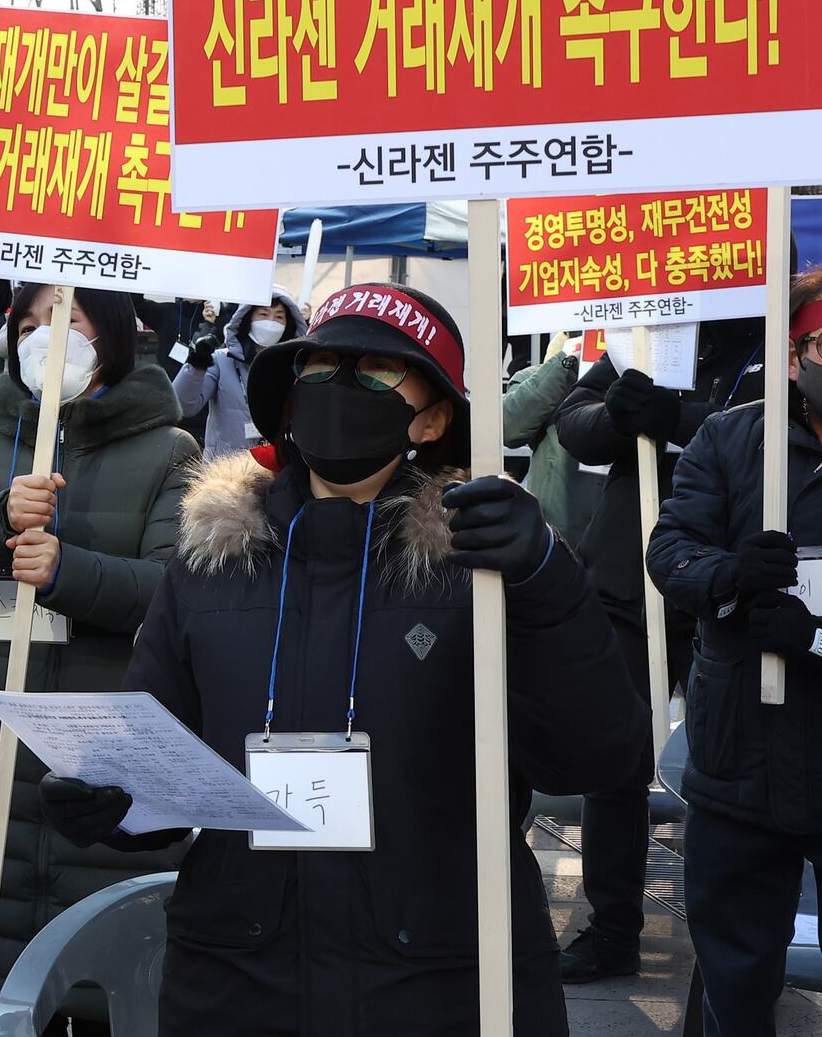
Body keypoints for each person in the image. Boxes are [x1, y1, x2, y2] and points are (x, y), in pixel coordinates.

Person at [43, 283, 642, 1036]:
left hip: (441, 981)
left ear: (432, 418)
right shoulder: (211, 560)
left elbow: (597, 757)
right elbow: (161, 761)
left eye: (377, 373)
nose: (340, 387)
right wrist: (113, 804)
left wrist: (546, 578)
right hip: (238, 982)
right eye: (321, 366)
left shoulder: (488, 562)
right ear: (289, 403)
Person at [0, 283, 197, 1020]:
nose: (47, 337)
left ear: (116, 339)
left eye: (69, 322)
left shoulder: (170, 450)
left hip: (115, 717)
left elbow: (175, 591)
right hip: (1, 713)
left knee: (106, 971)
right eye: (31, 323)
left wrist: (68, 571)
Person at [550, 314, 764, 984]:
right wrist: (620, 413)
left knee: (738, 771)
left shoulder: (780, 346)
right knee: (616, 761)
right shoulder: (652, 335)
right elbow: (572, 420)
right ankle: (613, 926)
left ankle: (741, 935)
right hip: (627, 578)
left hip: (740, 586)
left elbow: (774, 429)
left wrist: (675, 416)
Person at [646, 268, 822, 1037]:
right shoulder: (731, 436)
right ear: (793, 355)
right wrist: (730, 579)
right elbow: (670, 548)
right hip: (740, 750)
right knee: (735, 974)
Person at [174, 289, 307, 461]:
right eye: (263, 314)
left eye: (279, 317)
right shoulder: (221, 361)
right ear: (247, 318)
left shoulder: (294, 367)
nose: (270, 322)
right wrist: (196, 364)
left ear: (288, 324)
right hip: (224, 473)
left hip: (277, 470)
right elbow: (184, 406)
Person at [503, 334, 598, 566]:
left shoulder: (642, 377)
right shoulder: (542, 376)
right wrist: (565, 362)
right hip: (559, 544)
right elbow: (509, 428)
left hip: (622, 544)